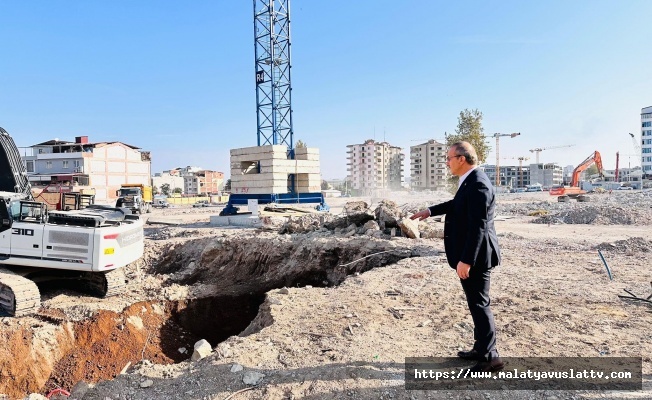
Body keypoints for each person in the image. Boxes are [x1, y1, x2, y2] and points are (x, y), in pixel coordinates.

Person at [410, 141, 503, 372]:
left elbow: (478, 226)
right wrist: (430, 211)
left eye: (449, 158)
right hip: (472, 255)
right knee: (475, 303)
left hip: (477, 257)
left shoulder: (479, 183)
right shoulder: (470, 181)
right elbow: (458, 204)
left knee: (480, 304)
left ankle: (491, 357)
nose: (446, 162)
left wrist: (467, 260)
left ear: (462, 159)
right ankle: (481, 348)